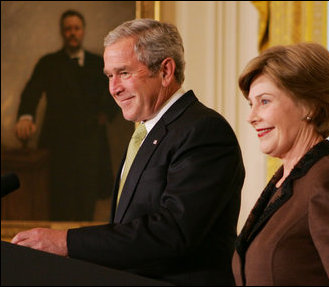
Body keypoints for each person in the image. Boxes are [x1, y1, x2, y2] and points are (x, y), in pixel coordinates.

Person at [11, 18, 245, 286]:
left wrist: (67, 242)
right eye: (109, 76)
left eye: (124, 73)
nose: (114, 88)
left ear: (166, 71)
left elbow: (173, 232)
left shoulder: (204, 131)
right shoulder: (147, 132)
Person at [232, 42, 329, 286]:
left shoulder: (328, 181)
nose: (251, 117)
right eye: (252, 104)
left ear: (309, 106)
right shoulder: (285, 182)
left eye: (265, 101)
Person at [14, 10, 118, 221]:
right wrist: (26, 116)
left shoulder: (99, 63)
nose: (72, 33)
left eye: (76, 28)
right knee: (57, 203)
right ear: (62, 32)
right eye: (68, 29)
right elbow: (31, 92)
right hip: (58, 146)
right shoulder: (48, 63)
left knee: (86, 202)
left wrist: (106, 114)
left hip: (90, 147)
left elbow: (115, 91)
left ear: (83, 31)